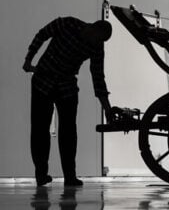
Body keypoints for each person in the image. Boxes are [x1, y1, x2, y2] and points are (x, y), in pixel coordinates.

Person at [23, 17, 113, 187]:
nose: (96, 43)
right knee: (40, 129)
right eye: (96, 38)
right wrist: (29, 58)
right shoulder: (67, 23)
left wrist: (107, 108)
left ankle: (70, 177)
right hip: (43, 81)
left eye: (100, 41)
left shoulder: (96, 46)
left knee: (69, 132)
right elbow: (42, 35)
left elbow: (98, 77)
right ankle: (41, 175)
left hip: (66, 84)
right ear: (91, 27)